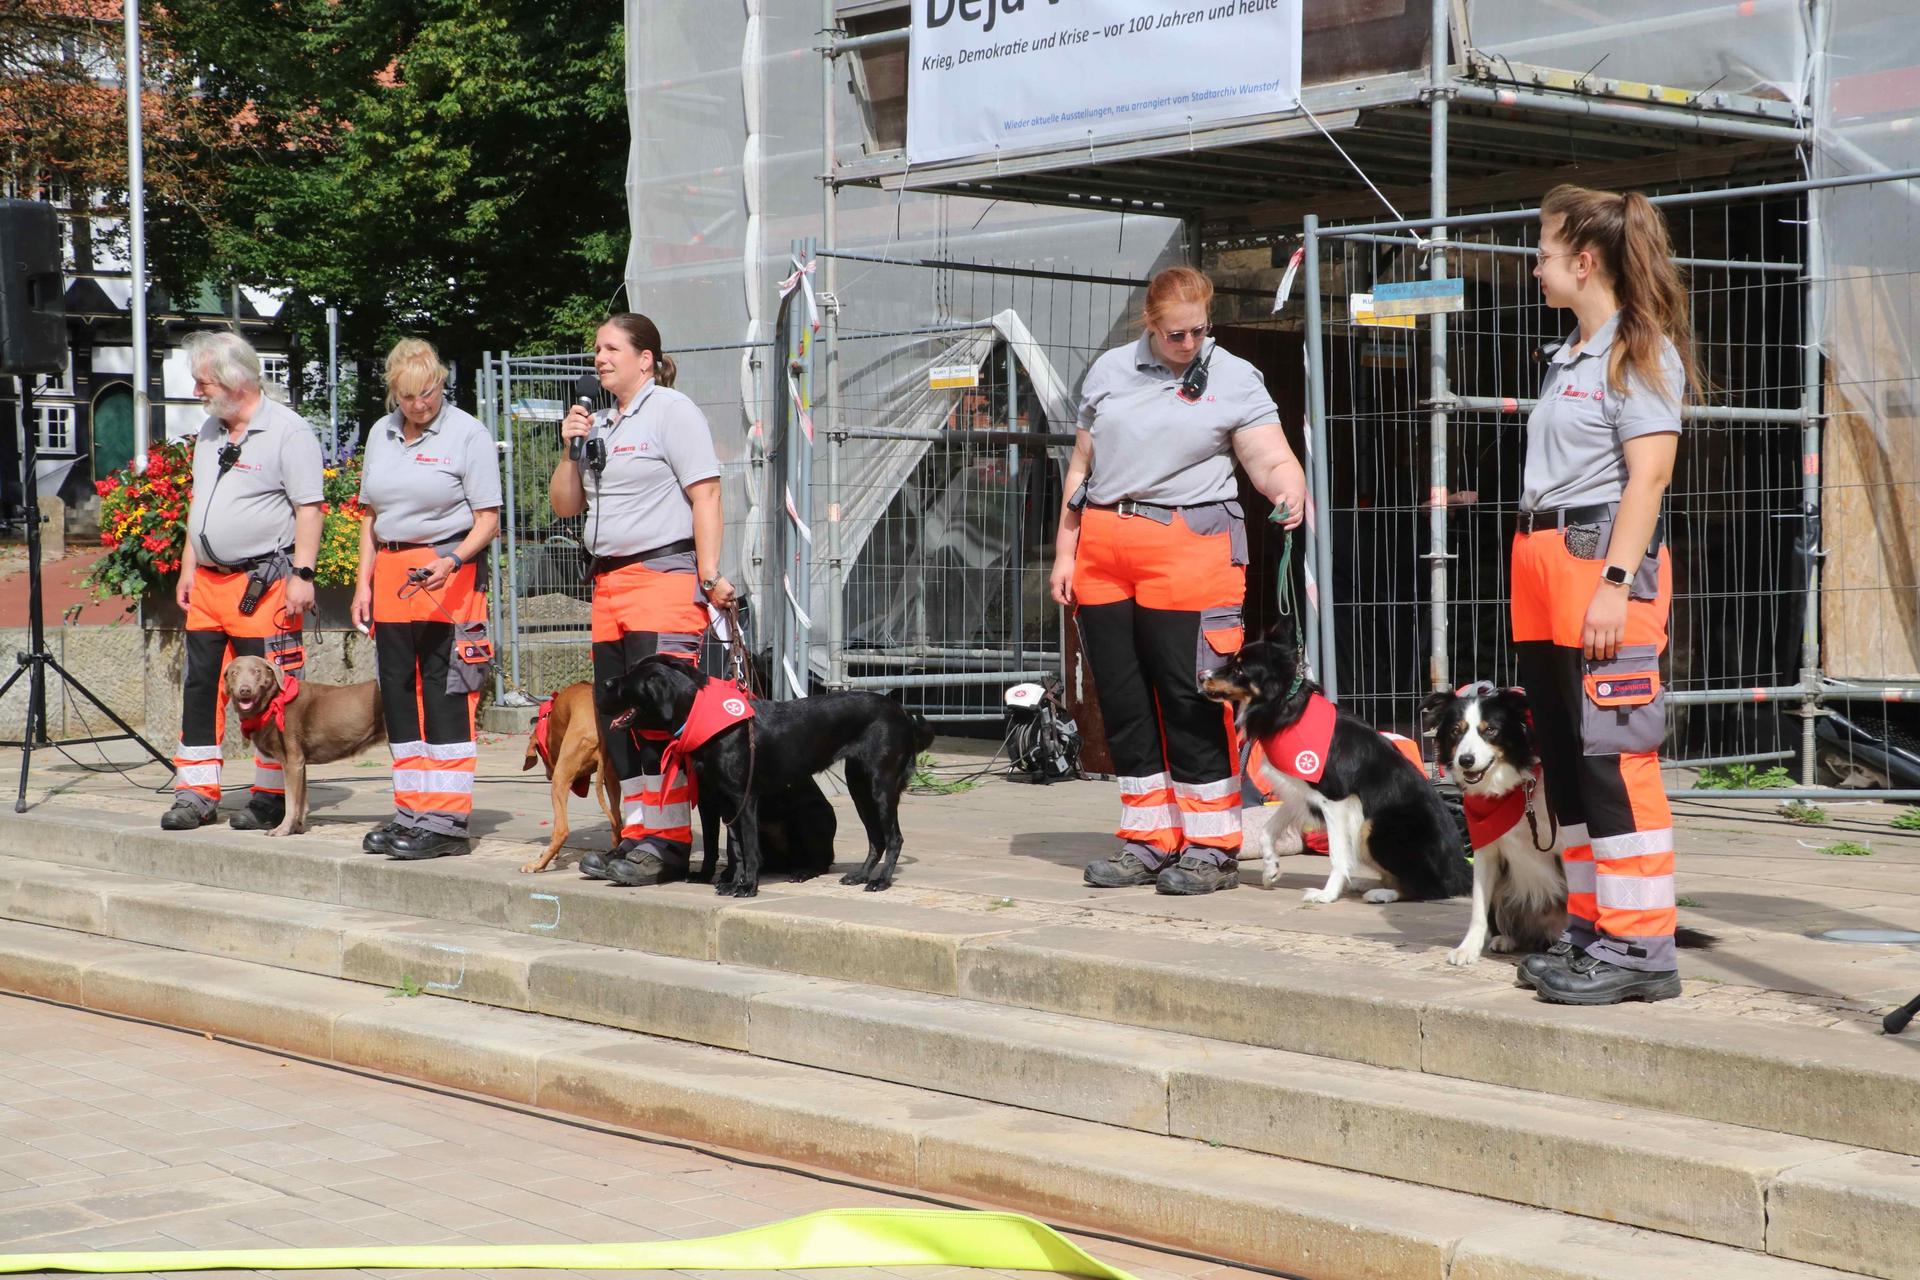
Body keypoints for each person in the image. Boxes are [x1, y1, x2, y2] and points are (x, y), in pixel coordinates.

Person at [1051, 267, 1308, 895]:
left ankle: (1212, 846)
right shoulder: (1109, 370)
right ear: (1149, 323)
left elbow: (1270, 456)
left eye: (1198, 331)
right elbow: (1081, 465)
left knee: (1194, 696)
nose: (1189, 343)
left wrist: (1288, 489)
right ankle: (1148, 839)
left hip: (1191, 548)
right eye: (1175, 334)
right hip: (1105, 547)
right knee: (1124, 702)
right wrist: (1065, 552)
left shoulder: (1235, 377)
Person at [1513, 184, 1698, 1005]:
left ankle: (1640, 949)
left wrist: (1616, 586)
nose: (1537, 267)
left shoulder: (1638, 352)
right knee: (1568, 762)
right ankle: (1592, 930)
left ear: (1584, 262)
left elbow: (1648, 479)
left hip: (1599, 565)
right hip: (1545, 565)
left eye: (1545, 254)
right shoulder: (1571, 356)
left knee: (1616, 762)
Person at [551, 312, 735, 887]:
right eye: (597, 349)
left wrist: (709, 574)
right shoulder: (600, 422)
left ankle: (667, 845)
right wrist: (569, 448)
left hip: (662, 578)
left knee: (659, 718)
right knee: (618, 719)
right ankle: (636, 835)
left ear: (645, 358)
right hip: (608, 585)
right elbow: (564, 506)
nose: (600, 358)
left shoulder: (672, 412)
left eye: (612, 348)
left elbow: (706, 494)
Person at [161, 331, 324, 832]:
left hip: (264, 586)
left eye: (203, 383)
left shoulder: (289, 431)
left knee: (274, 695)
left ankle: (271, 797)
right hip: (209, 586)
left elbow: (309, 508)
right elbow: (201, 506)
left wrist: (303, 575)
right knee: (201, 688)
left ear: (235, 381)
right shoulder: (210, 432)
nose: (197, 392)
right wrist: (189, 566)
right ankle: (196, 793)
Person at [351, 339, 503, 859]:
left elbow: (488, 519)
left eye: (429, 393)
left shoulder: (468, 434)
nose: (420, 404)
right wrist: (363, 583)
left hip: (446, 574)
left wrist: (453, 560)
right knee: (398, 694)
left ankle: (445, 821)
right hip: (392, 575)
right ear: (394, 392)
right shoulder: (381, 432)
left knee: (445, 692)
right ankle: (410, 811)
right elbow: (370, 517)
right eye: (409, 396)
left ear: (441, 383)